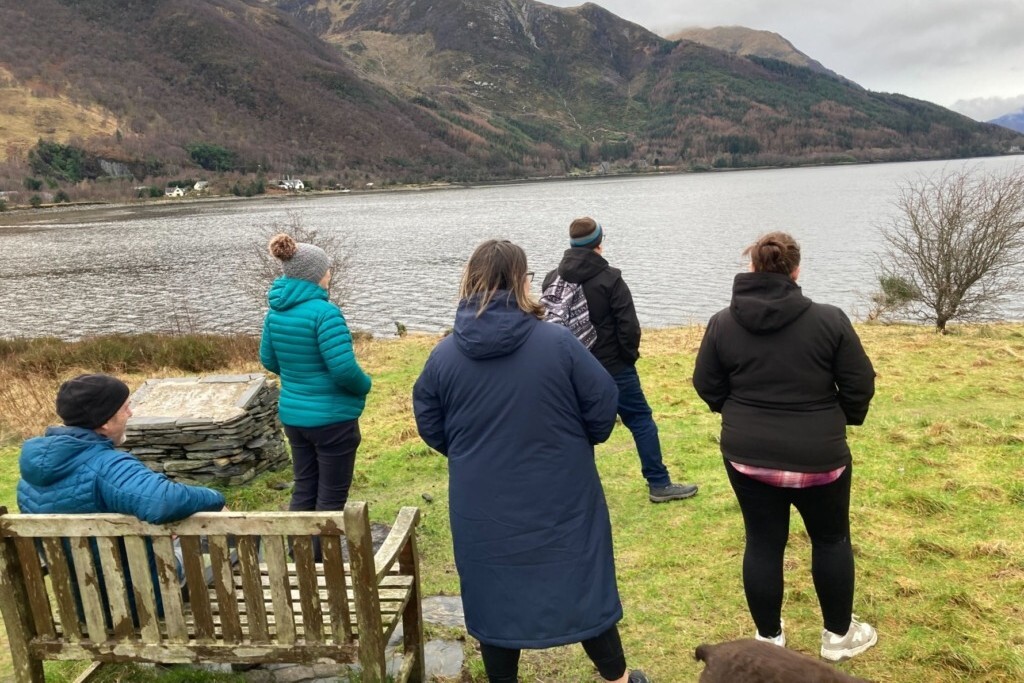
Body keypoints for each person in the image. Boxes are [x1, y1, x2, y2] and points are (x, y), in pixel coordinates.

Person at [413, 240, 649, 683]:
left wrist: (471, 453)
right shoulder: (558, 342)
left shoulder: (444, 355)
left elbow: (431, 422)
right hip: (562, 492)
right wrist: (575, 443)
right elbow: (603, 405)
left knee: (494, 591)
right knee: (580, 578)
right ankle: (617, 678)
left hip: (482, 502)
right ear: (520, 282)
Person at [692, 232, 878, 662]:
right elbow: (859, 384)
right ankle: (837, 638)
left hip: (748, 456)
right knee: (831, 540)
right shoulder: (830, 320)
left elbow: (707, 385)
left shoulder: (722, 322)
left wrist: (737, 414)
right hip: (820, 456)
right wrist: (838, 420)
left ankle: (768, 641)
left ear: (752, 269)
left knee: (762, 542)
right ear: (796, 271)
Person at [542, 217, 698, 503]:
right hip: (613, 366)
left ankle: (572, 489)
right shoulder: (610, 278)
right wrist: (626, 359)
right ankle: (659, 483)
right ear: (598, 243)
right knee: (639, 419)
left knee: (573, 426)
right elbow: (629, 328)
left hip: (570, 367)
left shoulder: (553, 278)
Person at [260, 233, 371, 520]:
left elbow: (269, 359)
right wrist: (365, 385)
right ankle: (323, 562)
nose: (329, 273)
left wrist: (300, 376)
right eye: (326, 268)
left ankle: (302, 558)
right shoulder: (325, 313)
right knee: (332, 497)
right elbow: (344, 370)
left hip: (295, 418)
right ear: (315, 275)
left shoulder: (274, 313)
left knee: (305, 487)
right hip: (332, 421)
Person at [17, 373, 225, 522]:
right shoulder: (107, 467)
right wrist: (215, 498)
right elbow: (163, 501)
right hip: (130, 577)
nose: (131, 414)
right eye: (125, 408)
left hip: (71, 580)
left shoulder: (31, 471)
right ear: (105, 421)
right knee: (225, 523)